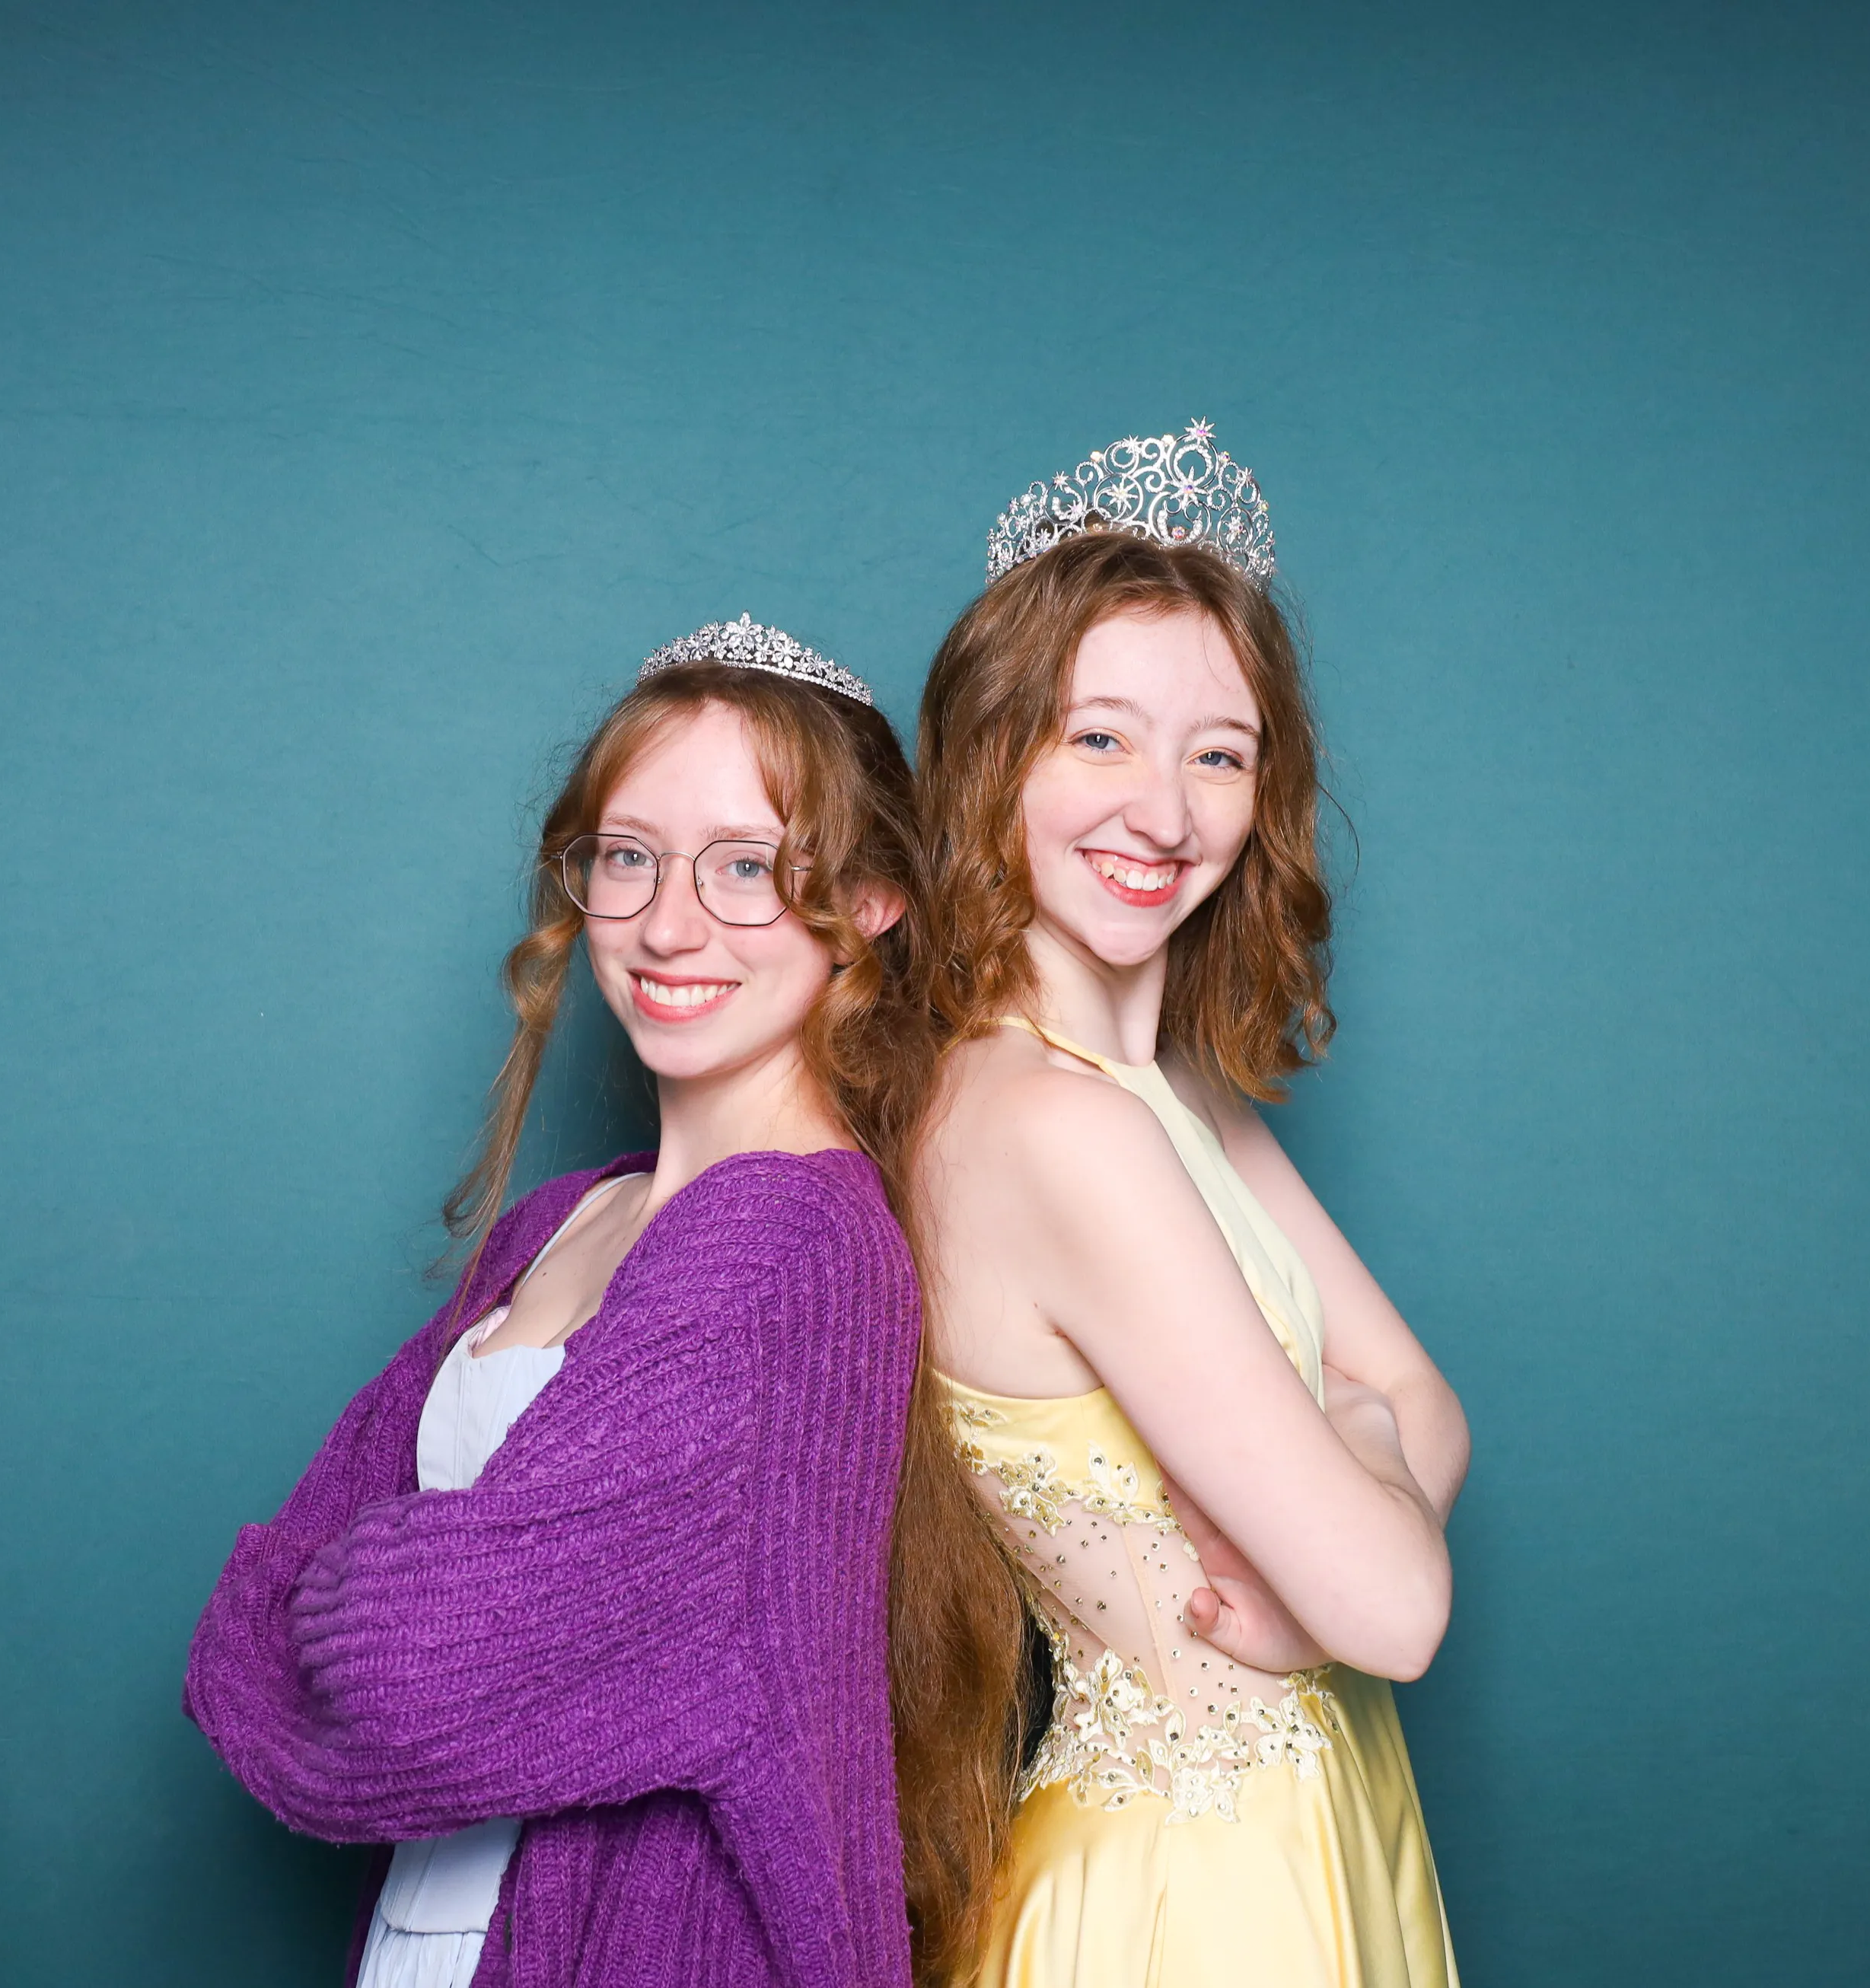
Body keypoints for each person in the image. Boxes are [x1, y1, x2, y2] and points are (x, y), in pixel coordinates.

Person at [186, 616, 982, 1988]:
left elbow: (396, 1671)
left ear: (867, 902)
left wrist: (375, 1599)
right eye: (628, 858)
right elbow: (248, 1626)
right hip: (432, 1933)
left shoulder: (791, 1243)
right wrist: (395, 1608)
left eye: (748, 867)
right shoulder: (561, 1221)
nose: (669, 926)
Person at [910, 424, 1469, 1986]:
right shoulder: (1052, 1122)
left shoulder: (1179, 1093)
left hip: (1313, 1820)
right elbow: (1403, 1608)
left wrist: (1364, 1458)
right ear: (994, 755)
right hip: (1196, 1893)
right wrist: (1348, 1536)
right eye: (1099, 739)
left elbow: (1425, 1402)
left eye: (1218, 753)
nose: (1164, 811)